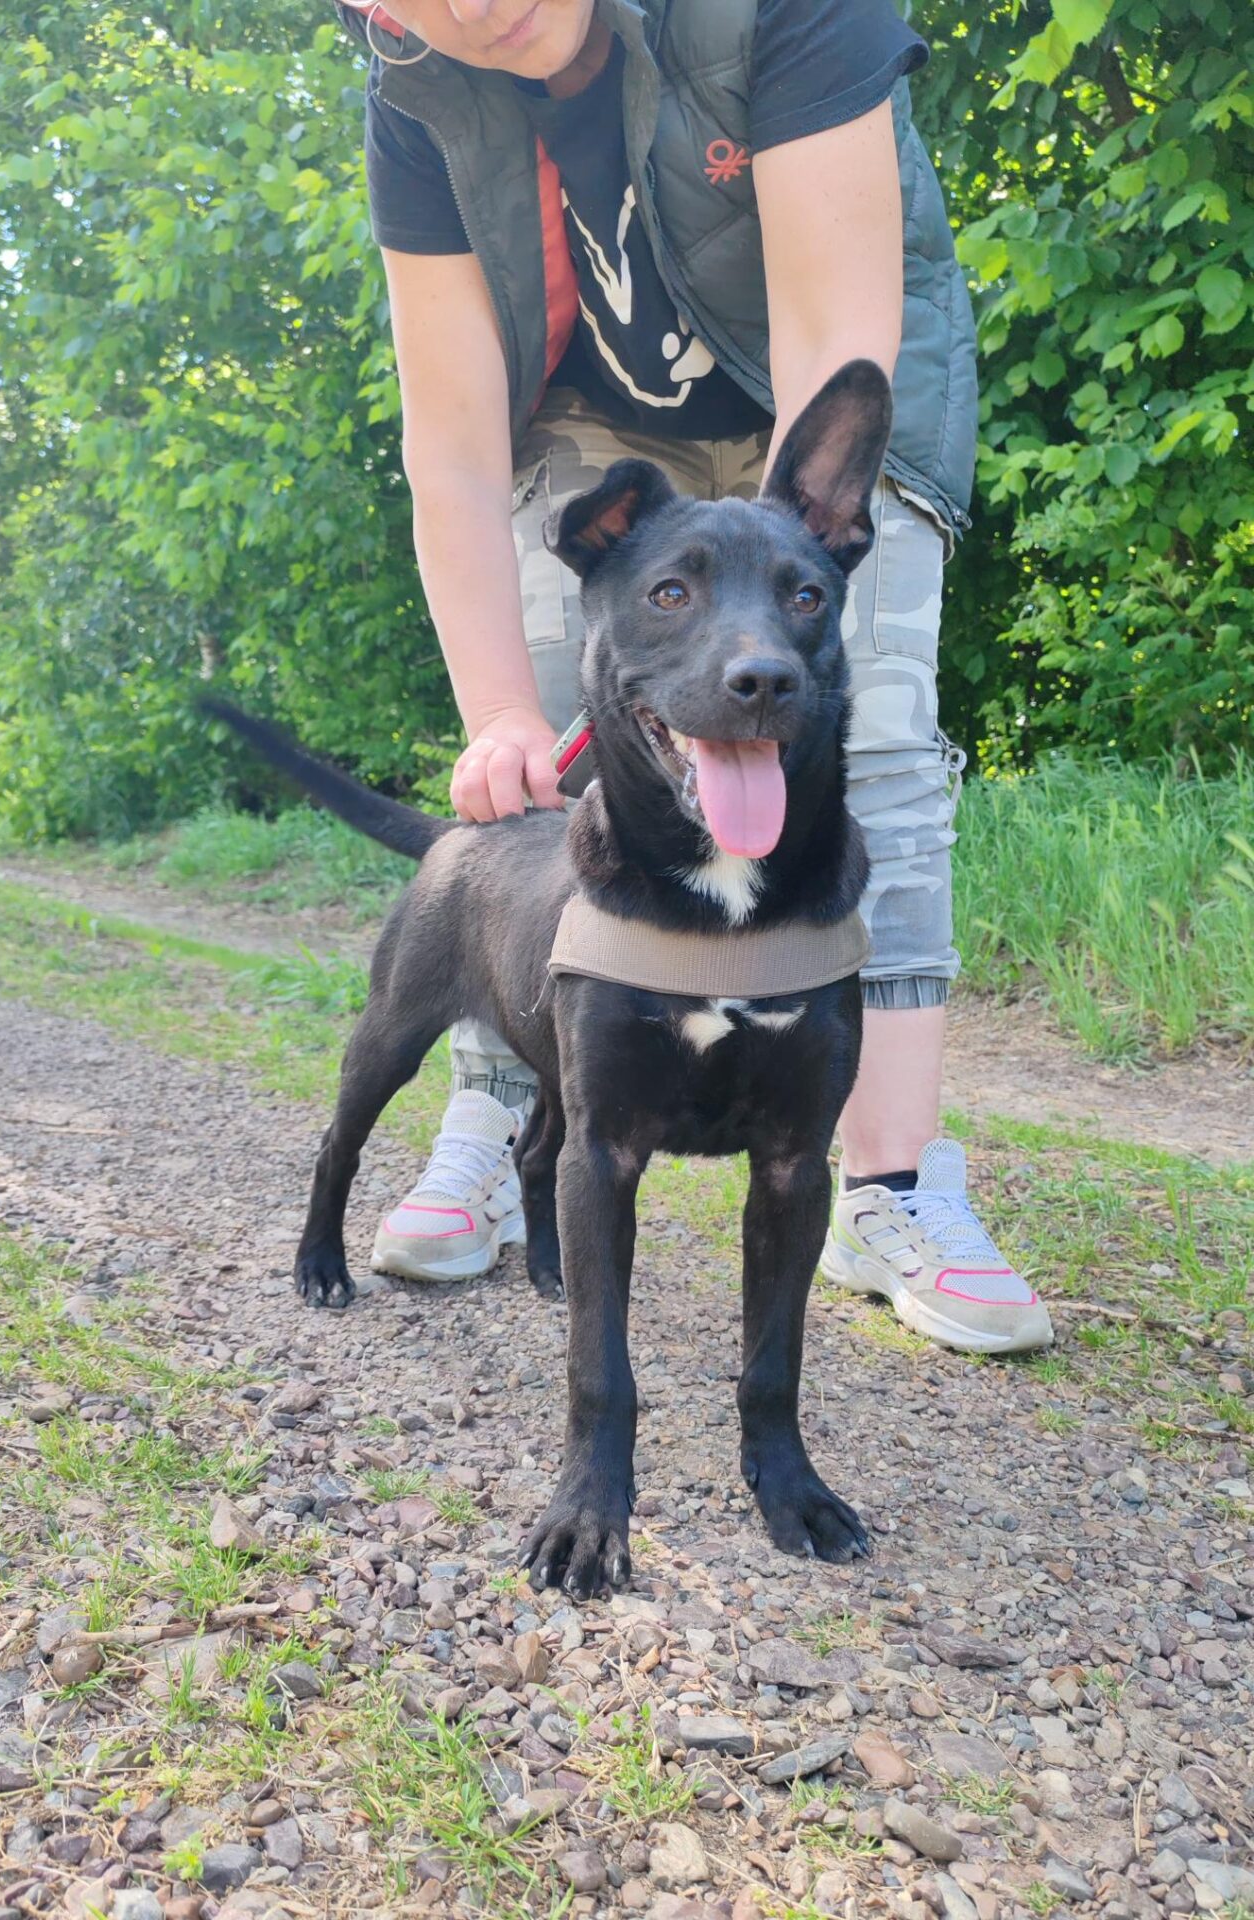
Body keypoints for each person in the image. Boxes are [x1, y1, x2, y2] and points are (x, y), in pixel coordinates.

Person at [335, 0, 1052, 1355]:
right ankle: (507, 1115)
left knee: (874, 739)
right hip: (593, 421)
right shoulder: (417, 90)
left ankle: (888, 1184)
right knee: (547, 754)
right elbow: (454, 445)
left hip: (818, 399)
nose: (471, 6)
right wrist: (501, 711)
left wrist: (757, 604)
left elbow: (834, 338)